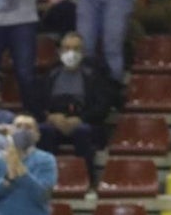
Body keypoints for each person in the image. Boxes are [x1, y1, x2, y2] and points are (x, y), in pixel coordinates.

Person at [35, 32, 113, 180]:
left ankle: (87, 179)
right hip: (55, 123)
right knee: (44, 131)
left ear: (83, 52)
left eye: (76, 49)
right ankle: (45, 179)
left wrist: (80, 119)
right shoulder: (51, 75)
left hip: (85, 124)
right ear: (59, 52)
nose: (71, 53)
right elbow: (38, 103)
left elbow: (102, 107)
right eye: (67, 48)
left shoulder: (94, 76)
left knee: (82, 132)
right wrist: (51, 117)